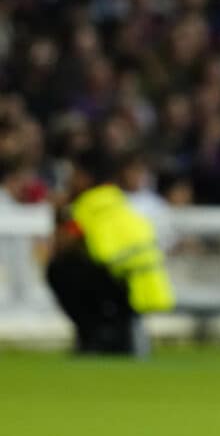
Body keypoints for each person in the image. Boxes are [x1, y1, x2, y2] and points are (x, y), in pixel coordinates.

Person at [46, 147, 174, 356]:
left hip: (118, 282)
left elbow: (63, 245)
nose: (71, 180)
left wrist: (59, 213)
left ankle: (97, 335)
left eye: (74, 174)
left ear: (86, 177)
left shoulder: (85, 206)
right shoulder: (119, 200)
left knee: (59, 269)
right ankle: (119, 331)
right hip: (147, 282)